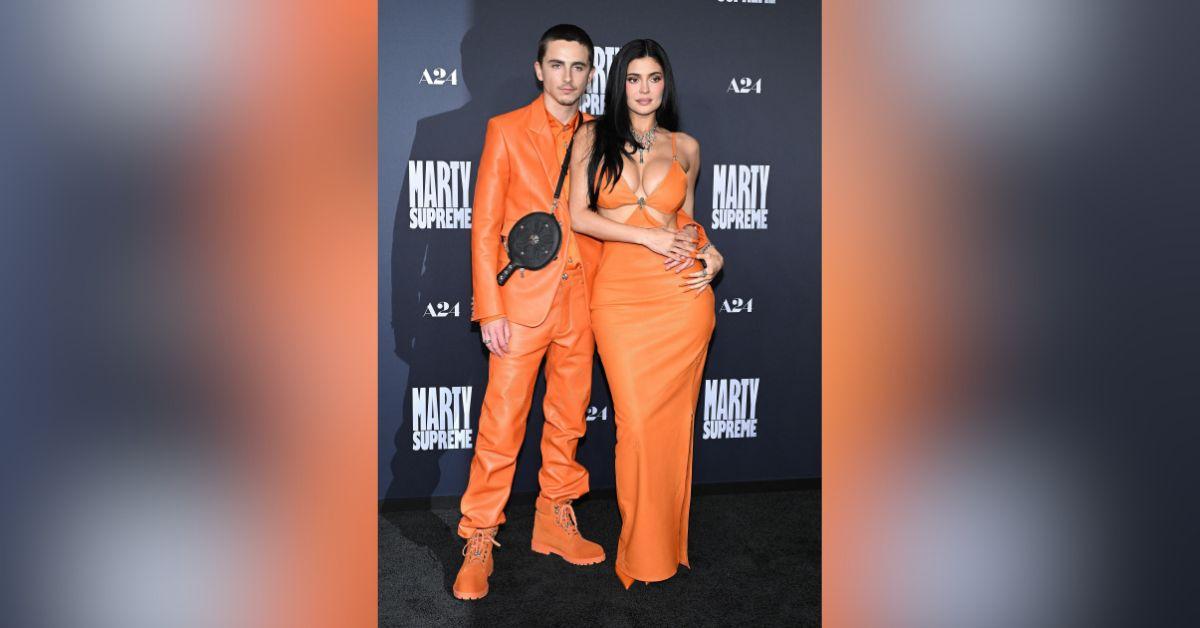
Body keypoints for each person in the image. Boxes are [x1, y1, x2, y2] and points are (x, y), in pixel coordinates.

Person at [453, 24, 623, 601]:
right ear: (538, 69)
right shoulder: (504, 130)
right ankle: (479, 537)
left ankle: (555, 520)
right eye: (558, 65)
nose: (568, 77)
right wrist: (490, 308)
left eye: (579, 67)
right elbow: (483, 229)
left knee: (569, 420)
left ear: (590, 74)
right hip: (521, 305)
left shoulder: (604, 135)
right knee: (501, 427)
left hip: (583, 301)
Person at [567, 38, 725, 588]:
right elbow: (580, 216)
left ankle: (661, 547)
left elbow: (687, 223)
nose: (643, 89)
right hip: (620, 298)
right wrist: (645, 239)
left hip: (681, 299)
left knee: (671, 426)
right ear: (619, 84)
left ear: (666, 84)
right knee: (634, 423)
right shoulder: (591, 136)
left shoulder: (686, 147)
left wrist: (709, 251)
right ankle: (640, 547)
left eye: (653, 78)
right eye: (633, 78)